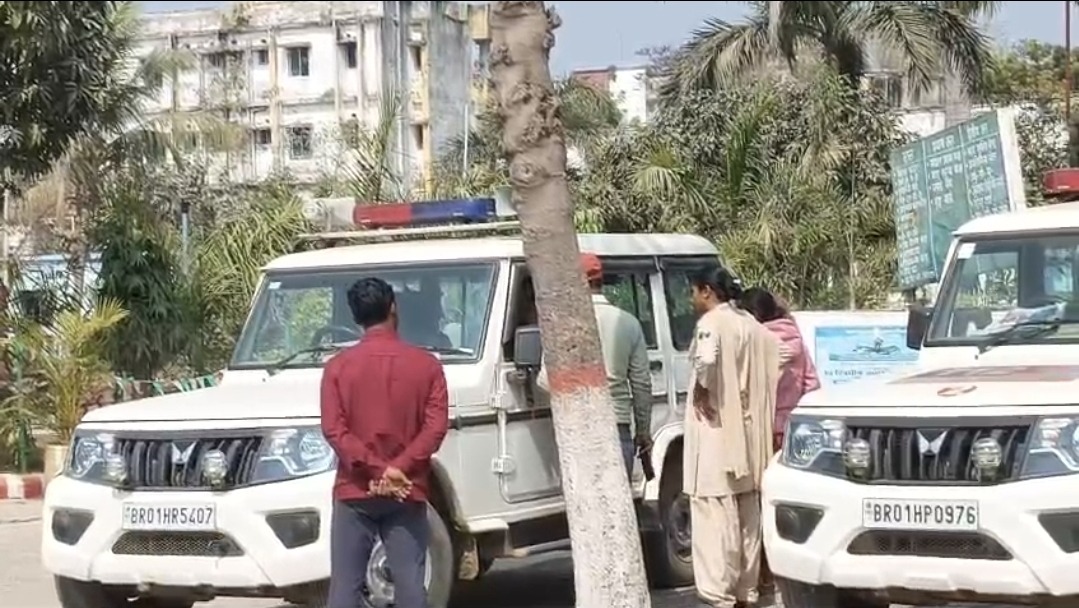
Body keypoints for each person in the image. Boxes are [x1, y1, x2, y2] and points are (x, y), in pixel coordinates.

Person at [320, 277, 449, 608]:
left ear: (356, 318)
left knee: (345, 590)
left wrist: (377, 470)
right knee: (410, 588)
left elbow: (335, 431)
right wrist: (397, 469)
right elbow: (435, 428)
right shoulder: (427, 366)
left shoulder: (337, 368)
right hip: (407, 490)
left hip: (354, 491)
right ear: (393, 308)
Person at [683, 266, 779, 608]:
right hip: (749, 439)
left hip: (716, 436)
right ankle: (747, 590)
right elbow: (776, 357)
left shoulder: (712, 324)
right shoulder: (750, 324)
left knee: (715, 515)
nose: (692, 299)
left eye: (693, 291)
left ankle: (717, 593)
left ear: (707, 291)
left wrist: (703, 390)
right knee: (747, 517)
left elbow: (707, 361)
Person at [537, 253, 653, 477]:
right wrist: (643, 431)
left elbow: (545, 380)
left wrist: (576, 395)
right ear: (601, 281)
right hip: (617, 425)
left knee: (584, 507)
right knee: (618, 506)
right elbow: (641, 385)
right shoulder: (628, 323)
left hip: (577, 428)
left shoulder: (562, 324)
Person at [740, 287, 820, 452]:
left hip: (762, 425)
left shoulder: (754, 340)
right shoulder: (795, 336)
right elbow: (811, 382)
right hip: (794, 423)